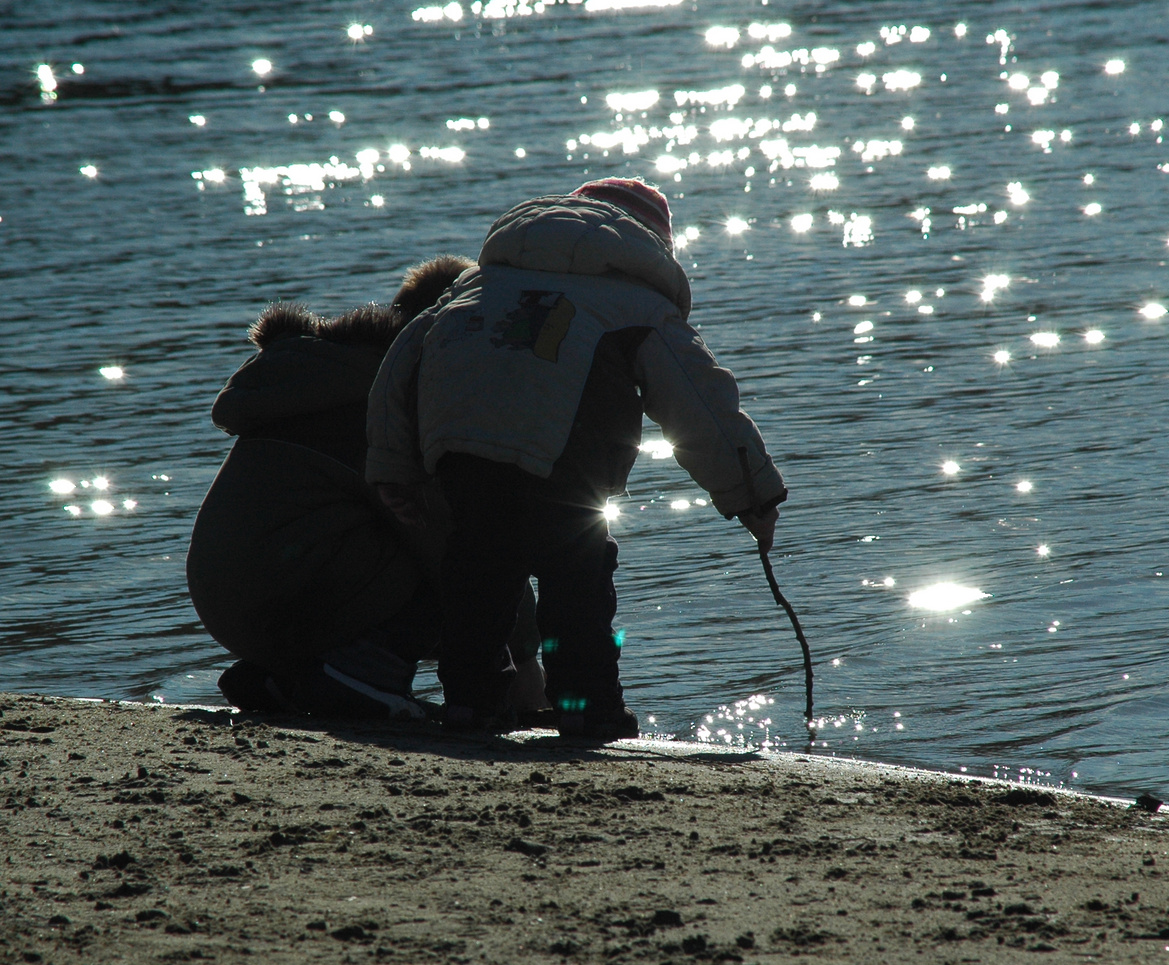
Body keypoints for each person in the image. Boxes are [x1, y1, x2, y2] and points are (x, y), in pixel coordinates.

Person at [365, 178, 786, 741]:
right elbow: (701, 405)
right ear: (653, 242)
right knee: (576, 580)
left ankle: (471, 703)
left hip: (462, 448)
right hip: (565, 461)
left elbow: (398, 366)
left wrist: (393, 466)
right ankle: (587, 710)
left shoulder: (476, 285)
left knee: (476, 571)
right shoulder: (636, 304)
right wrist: (750, 494)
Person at [186, 256, 545, 719]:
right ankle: (364, 676)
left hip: (232, 600)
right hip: (283, 595)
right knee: (463, 562)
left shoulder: (329, 377)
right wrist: (521, 658)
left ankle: (291, 681)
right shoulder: (381, 403)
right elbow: (450, 541)